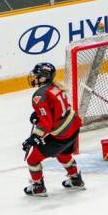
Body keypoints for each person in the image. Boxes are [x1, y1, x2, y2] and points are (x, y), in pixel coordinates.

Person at [22, 62, 84, 197]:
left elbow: (47, 123)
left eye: (37, 75)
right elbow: (55, 111)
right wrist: (38, 115)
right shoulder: (56, 87)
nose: (34, 77)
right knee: (62, 153)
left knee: (32, 160)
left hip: (61, 135)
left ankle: (38, 187)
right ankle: (76, 180)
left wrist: (34, 137)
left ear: (44, 77)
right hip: (73, 128)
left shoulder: (39, 95)